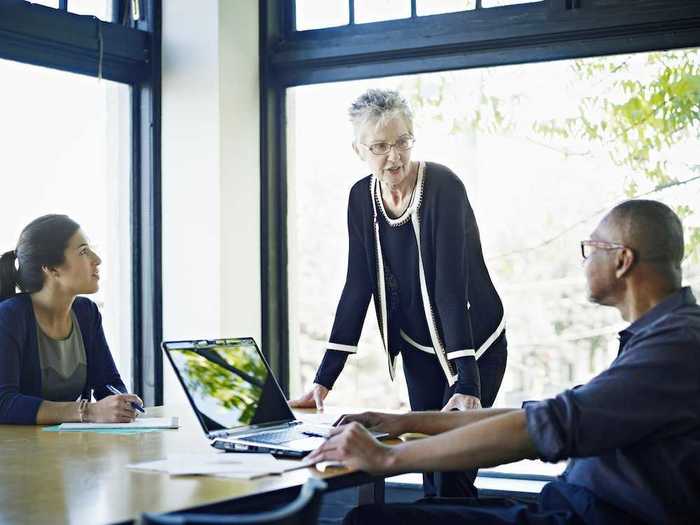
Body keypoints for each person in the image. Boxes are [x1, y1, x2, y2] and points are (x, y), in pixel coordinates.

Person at [307, 199, 700, 525]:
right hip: (569, 506)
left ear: (622, 260)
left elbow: (544, 428)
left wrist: (388, 458)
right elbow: (539, 414)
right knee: (389, 515)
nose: (584, 262)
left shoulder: (678, 345)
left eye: (591, 249)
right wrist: (403, 421)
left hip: (590, 517)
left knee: (373, 523)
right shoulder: (657, 339)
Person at [289, 88, 507, 497]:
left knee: (454, 469)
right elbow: (358, 285)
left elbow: (450, 286)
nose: (395, 157)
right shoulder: (360, 198)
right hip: (416, 345)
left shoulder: (443, 185)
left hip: (475, 344)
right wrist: (323, 381)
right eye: (380, 146)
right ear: (359, 150)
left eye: (403, 141)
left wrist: (468, 382)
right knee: (427, 463)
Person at [0, 214, 142, 425]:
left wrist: (120, 403)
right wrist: (89, 412)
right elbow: (4, 404)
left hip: (68, 450)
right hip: (19, 453)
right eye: (83, 251)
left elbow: (108, 383)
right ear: (51, 268)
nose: (97, 259)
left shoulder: (87, 312)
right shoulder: (9, 316)